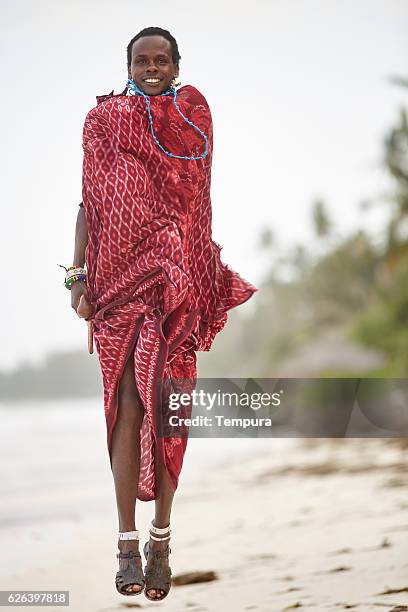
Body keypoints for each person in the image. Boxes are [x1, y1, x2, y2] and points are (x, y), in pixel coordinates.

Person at [65, 26, 258, 601]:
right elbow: (88, 204)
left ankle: (162, 543)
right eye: (142, 60)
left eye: (162, 59)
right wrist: (77, 276)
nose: (152, 67)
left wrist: (198, 275)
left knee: (169, 409)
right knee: (126, 407)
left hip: (175, 282)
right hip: (116, 284)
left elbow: (195, 203)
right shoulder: (103, 121)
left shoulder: (192, 116)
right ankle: (126, 545)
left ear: (176, 65)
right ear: (128, 65)